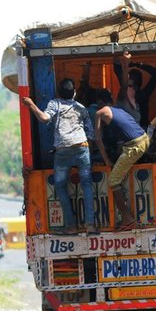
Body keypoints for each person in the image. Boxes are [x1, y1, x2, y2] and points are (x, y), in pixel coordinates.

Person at [23, 78, 99, 235]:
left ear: (58, 92)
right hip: (82, 147)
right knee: (86, 184)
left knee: (60, 186)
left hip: (63, 151)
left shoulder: (55, 103)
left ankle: (71, 226)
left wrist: (31, 104)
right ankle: (90, 225)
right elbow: (91, 133)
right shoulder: (81, 107)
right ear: (74, 93)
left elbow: (44, 118)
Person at [93, 89, 150, 231]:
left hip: (134, 146)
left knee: (113, 180)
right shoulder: (118, 110)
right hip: (144, 139)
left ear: (99, 102)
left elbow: (98, 139)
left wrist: (106, 160)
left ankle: (128, 219)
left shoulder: (99, 113)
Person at [114, 50, 156, 129]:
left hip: (141, 126)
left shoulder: (142, 95)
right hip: (129, 127)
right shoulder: (128, 90)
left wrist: (136, 64)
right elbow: (117, 69)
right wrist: (135, 64)